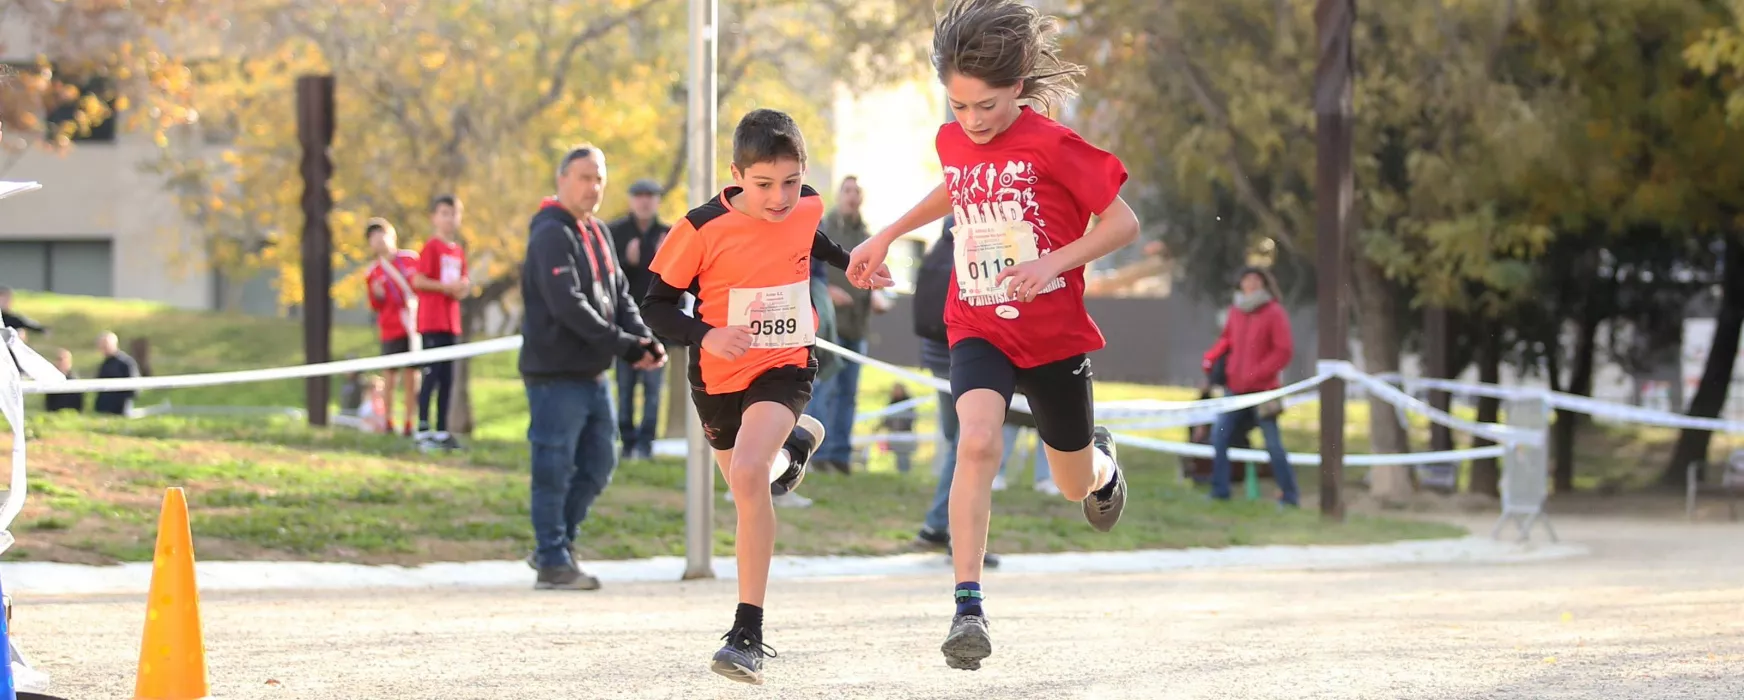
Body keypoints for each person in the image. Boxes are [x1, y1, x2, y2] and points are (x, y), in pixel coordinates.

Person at [846, 0, 1139, 671]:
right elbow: (953, 187)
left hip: (1054, 334)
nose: (971, 122)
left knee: (1072, 483)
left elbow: (1123, 224)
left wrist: (1050, 263)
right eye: (958, 107)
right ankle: (968, 606)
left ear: (1017, 84)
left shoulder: (1054, 144)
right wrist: (887, 232)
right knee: (976, 442)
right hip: (976, 321)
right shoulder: (953, 141)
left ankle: (1103, 464)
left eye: (986, 107)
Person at [641, 108, 892, 685]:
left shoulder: (804, 203)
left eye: (790, 180)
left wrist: (850, 264)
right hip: (718, 375)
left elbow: (812, 237)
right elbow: (653, 306)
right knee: (748, 487)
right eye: (763, 185)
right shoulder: (700, 227)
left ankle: (746, 633)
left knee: (752, 476)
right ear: (736, 174)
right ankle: (796, 445)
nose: (780, 197)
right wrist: (707, 335)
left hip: (785, 361)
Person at [520, 145, 667, 590]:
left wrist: (642, 336)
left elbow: (620, 295)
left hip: (591, 374)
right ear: (561, 179)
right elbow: (569, 306)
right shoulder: (550, 233)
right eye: (584, 177)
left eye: (599, 178)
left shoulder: (598, 231)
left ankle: (555, 544)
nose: (593, 186)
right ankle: (551, 558)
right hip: (554, 375)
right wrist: (625, 346)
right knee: (553, 466)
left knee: (601, 461)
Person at [1205, 266, 1299, 506]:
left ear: (1265, 284)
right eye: (1246, 280)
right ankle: (1220, 491)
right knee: (1219, 436)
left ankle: (1289, 495)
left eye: (1256, 280)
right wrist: (1213, 360)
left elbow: (1283, 351)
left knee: (1273, 444)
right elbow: (1227, 339)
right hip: (1235, 390)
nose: (1251, 284)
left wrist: (1256, 375)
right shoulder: (1235, 312)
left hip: (1264, 391)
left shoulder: (1274, 312)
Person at [803, 176, 872, 475]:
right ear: (839, 195)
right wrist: (827, 292)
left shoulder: (867, 233)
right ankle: (816, 453)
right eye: (847, 191)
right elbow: (812, 268)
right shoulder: (825, 227)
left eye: (857, 191)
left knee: (849, 393)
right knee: (824, 388)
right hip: (828, 325)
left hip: (857, 326)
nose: (852, 196)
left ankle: (840, 455)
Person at [608, 178, 672, 461]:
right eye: (639, 196)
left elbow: (682, 281)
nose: (645, 201)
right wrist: (627, 261)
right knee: (624, 388)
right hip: (624, 327)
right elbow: (606, 279)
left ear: (658, 200)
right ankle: (627, 443)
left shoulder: (668, 234)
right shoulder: (616, 233)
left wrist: (665, 261)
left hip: (657, 325)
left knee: (653, 391)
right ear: (632, 200)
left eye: (651, 196)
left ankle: (646, 445)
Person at [412, 194, 470, 452]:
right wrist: (444, 287)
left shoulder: (457, 251)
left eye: (453, 213)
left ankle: (442, 429)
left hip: (451, 322)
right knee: (431, 375)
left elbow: (463, 283)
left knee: (448, 378)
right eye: (444, 213)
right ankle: (423, 428)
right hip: (432, 320)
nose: (449, 219)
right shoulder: (431, 247)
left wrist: (460, 289)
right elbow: (419, 280)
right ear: (434, 217)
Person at [364, 217, 422, 437]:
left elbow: (420, 287)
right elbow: (374, 304)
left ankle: (409, 423)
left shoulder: (411, 260)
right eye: (373, 237)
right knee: (389, 377)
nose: (378, 240)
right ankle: (388, 422)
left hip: (412, 327)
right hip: (390, 328)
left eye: (382, 234)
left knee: (412, 377)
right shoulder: (373, 272)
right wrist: (377, 294)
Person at [93, 331, 140, 416]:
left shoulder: (126, 362)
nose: (102, 348)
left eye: (105, 344)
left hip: (120, 410)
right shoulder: (104, 364)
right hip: (104, 410)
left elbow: (134, 389)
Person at [880, 383, 919, 474]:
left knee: (904, 456)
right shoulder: (892, 403)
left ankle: (905, 472)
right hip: (894, 434)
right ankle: (901, 473)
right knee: (898, 456)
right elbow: (886, 419)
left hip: (906, 433)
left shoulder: (908, 404)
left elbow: (911, 418)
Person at [43, 348, 83, 413]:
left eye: (61, 359)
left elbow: (78, 402)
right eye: (57, 359)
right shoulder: (52, 378)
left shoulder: (74, 380)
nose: (57, 362)